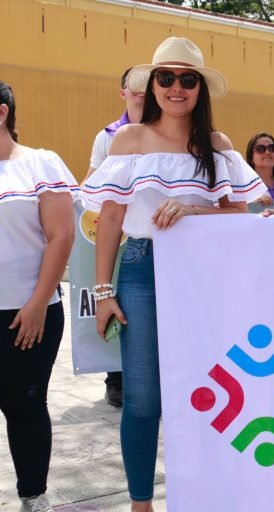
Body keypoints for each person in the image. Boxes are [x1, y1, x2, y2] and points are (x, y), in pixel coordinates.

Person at [80, 37, 265, 512]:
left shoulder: (218, 146)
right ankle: (142, 505)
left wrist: (191, 211)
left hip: (205, 279)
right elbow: (111, 223)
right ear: (152, 85)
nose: (175, 88)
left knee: (209, 393)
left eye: (187, 79)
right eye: (165, 78)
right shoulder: (128, 142)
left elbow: (240, 216)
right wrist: (103, 292)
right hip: (142, 271)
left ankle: (205, 496)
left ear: (200, 88)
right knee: (142, 398)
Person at [0, 81, 77, 512]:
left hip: (26, 314)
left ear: (2, 113)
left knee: (24, 407)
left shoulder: (39, 164)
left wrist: (35, 305)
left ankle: (34, 498)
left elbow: (61, 235)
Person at [87, 67, 145, 408]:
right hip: (118, 233)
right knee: (118, 306)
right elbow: (92, 185)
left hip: (150, 234)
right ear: (122, 92)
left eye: (144, 85)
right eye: (132, 86)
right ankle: (116, 377)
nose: (139, 92)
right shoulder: (108, 137)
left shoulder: (166, 132)